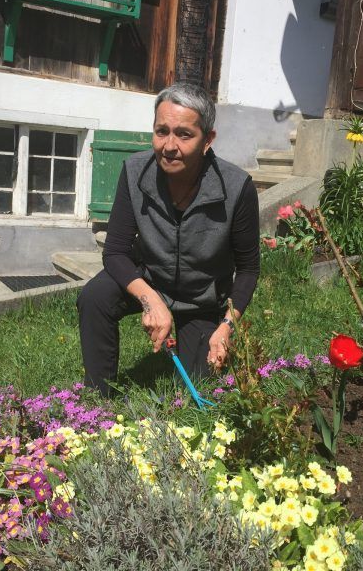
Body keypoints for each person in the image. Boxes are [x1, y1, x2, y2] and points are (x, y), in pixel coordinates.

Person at [77, 82, 260, 396]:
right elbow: (116, 252)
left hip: (202, 299)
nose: (169, 146)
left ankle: (202, 336)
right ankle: (98, 399)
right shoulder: (135, 172)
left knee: (196, 393)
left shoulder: (237, 187)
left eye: (184, 134)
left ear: (208, 140)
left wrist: (226, 327)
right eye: (161, 131)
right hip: (151, 277)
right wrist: (150, 299)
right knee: (95, 297)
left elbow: (247, 270)